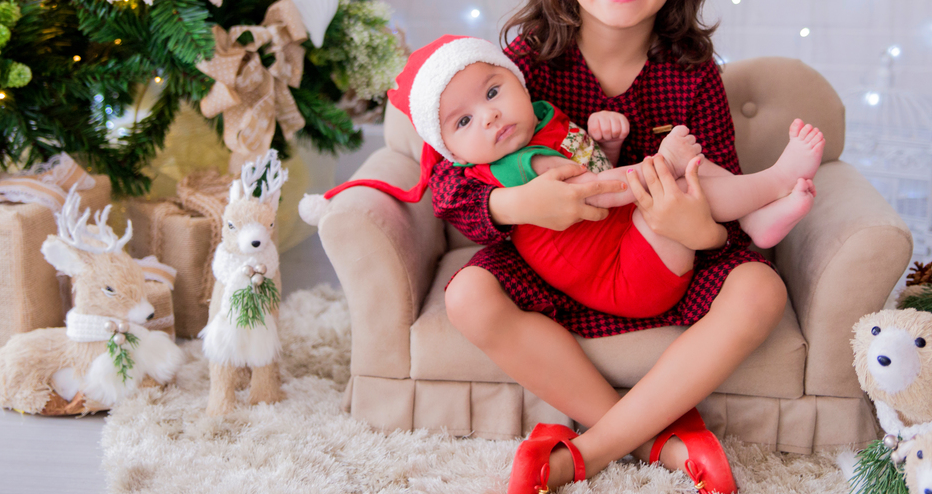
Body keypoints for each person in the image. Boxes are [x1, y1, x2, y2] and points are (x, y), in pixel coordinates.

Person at [428, 0, 797, 494]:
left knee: (760, 292)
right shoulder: (524, 65)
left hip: (661, 263)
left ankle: (589, 451)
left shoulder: (691, 75)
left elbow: (727, 207)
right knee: (467, 298)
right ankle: (656, 442)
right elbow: (445, 184)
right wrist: (516, 206)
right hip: (554, 263)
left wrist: (699, 232)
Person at [302, 35, 823, 322]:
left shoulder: (547, 121)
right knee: (678, 177)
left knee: (693, 173)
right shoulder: (511, 167)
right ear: (452, 153)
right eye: (463, 123)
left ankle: (755, 213)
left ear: (518, 81)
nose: (488, 116)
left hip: (629, 248)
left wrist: (611, 147)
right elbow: (600, 191)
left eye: (492, 92)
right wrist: (654, 161)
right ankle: (776, 180)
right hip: (625, 279)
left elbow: (594, 168)